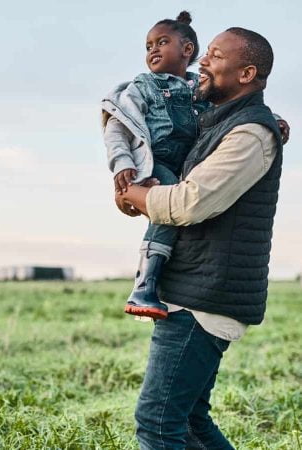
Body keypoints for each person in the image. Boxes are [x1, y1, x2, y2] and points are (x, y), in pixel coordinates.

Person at [115, 27, 287, 449]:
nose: (202, 62)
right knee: (190, 420)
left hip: (204, 299)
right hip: (196, 290)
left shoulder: (249, 133)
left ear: (247, 73)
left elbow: (190, 202)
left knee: (157, 422)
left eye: (214, 55)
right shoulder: (220, 121)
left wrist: (135, 193)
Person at [101, 12, 287, 320]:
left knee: (169, 212)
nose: (153, 51)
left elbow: (237, 109)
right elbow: (118, 128)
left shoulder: (202, 93)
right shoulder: (141, 87)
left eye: (162, 42)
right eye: (148, 46)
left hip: (188, 170)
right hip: (158, 162)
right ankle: (144, 284)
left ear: (187, 50)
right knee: (164, 218)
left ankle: (147, 284)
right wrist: (123, 168)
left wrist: (274, 118)